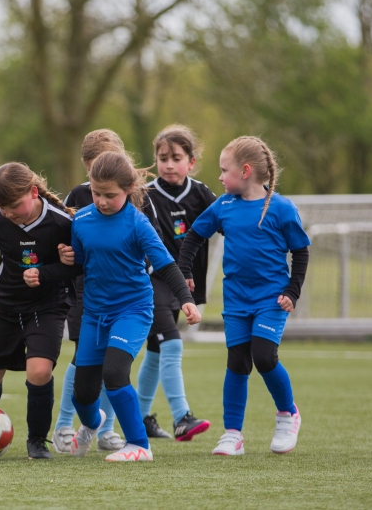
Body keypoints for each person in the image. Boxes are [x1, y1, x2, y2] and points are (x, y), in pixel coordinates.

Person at [177, 136, 309, 456]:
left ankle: (288, 414)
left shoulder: (281, 208)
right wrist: (185, 272)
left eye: (225, 170)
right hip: (236, 300)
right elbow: (193, 237)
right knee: (237, 362)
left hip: (272, 300)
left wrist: (293, 291)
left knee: (264, 357)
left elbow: (301, 252)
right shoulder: (223, 206)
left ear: (246, 171)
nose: (220, 177)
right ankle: (232, 434)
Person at [67, 150, 201, 462]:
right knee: (82, 394)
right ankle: (92, 423)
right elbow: (78, 265)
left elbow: (166, 265)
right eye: (96, 193)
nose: (101, 201)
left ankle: (139, 445)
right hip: (94, 314)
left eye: (110, 195)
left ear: (128, 190)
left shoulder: (138, 224)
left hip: (133, 310)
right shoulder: (81, 220)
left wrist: (186, 300)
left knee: (114, 373)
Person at [0, 163, 78, 460]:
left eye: (14, 206)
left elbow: (79, 266)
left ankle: (37, 441)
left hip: (47, 307)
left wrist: (64, 263)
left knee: (40, 371)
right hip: (6, 307)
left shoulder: (62, 222)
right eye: (2, 208)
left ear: (33, 192)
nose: (8, 213)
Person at [52, 129, 128, 454]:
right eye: (95, 165)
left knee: (115, 361)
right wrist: (64, 253)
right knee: (82, 359)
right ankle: (63, 425)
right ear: (86, 166)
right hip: (85, 291)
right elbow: (64, 240)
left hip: (123, 293)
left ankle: (106, 429)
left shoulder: (133, 197)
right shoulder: (78, 197)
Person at [138, 124, 215, 441]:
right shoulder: (144, 195)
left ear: (191, 162)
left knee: (156, 350)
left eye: (176, 158)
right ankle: (182, 417)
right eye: (163, 158)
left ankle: (140, 418)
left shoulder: (202, 193)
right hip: (152, 282)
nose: (169, 164)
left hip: (185, 286)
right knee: (170, 342)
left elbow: (228, 222)